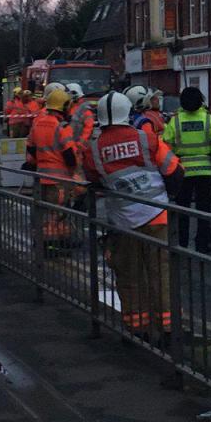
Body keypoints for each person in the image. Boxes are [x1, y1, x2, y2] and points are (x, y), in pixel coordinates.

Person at [83, 91, 184, 344]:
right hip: (157, 217)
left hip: (122, 223)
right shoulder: (146, 138)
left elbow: (93, 181)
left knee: (129, 276)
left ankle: (138, 330)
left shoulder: (94, 149)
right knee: (160, 274)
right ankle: (169, 330)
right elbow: (175, 172)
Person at [162, 87, 211, 254]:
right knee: (204, 210)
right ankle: (203, 244)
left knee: (183, 209)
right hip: (205, 172)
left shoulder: (175, 121)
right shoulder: (209, 120)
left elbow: (166, 146)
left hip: (182, 173)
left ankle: (182, 243)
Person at [22, 88, 78, 252]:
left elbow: (30, 146)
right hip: (59, 180)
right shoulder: (62, 127)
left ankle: (53, 241)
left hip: (41, 176)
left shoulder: (38, 122)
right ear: (64, 106)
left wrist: (42, 159)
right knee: (58, 213)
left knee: (44, 211)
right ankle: (52, 244)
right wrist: (73, 171)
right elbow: (70, 155)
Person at [66, 83, 95, 148]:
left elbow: (88, 129)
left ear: (74, 93)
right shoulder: (71, 106)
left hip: (78, 147)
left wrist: (79, 144)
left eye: (68, 93)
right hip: (70, 144)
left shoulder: (85, 109)